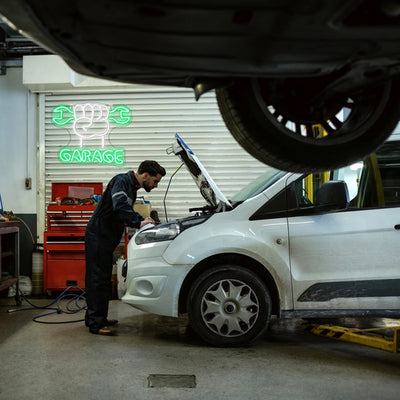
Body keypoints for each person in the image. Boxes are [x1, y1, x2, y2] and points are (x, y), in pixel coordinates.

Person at [84, 160, 166, 335]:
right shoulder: (122, 181)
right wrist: (138, 221)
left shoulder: (132, 187)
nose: (156, 185)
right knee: (97, 279)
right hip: (98, 235)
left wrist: (140, 220)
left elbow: (122, 210)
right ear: (145, 175)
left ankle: (97, 318)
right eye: (155, 181)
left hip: (106, 237)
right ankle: (95, 324)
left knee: (104, 279)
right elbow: (119, 205)